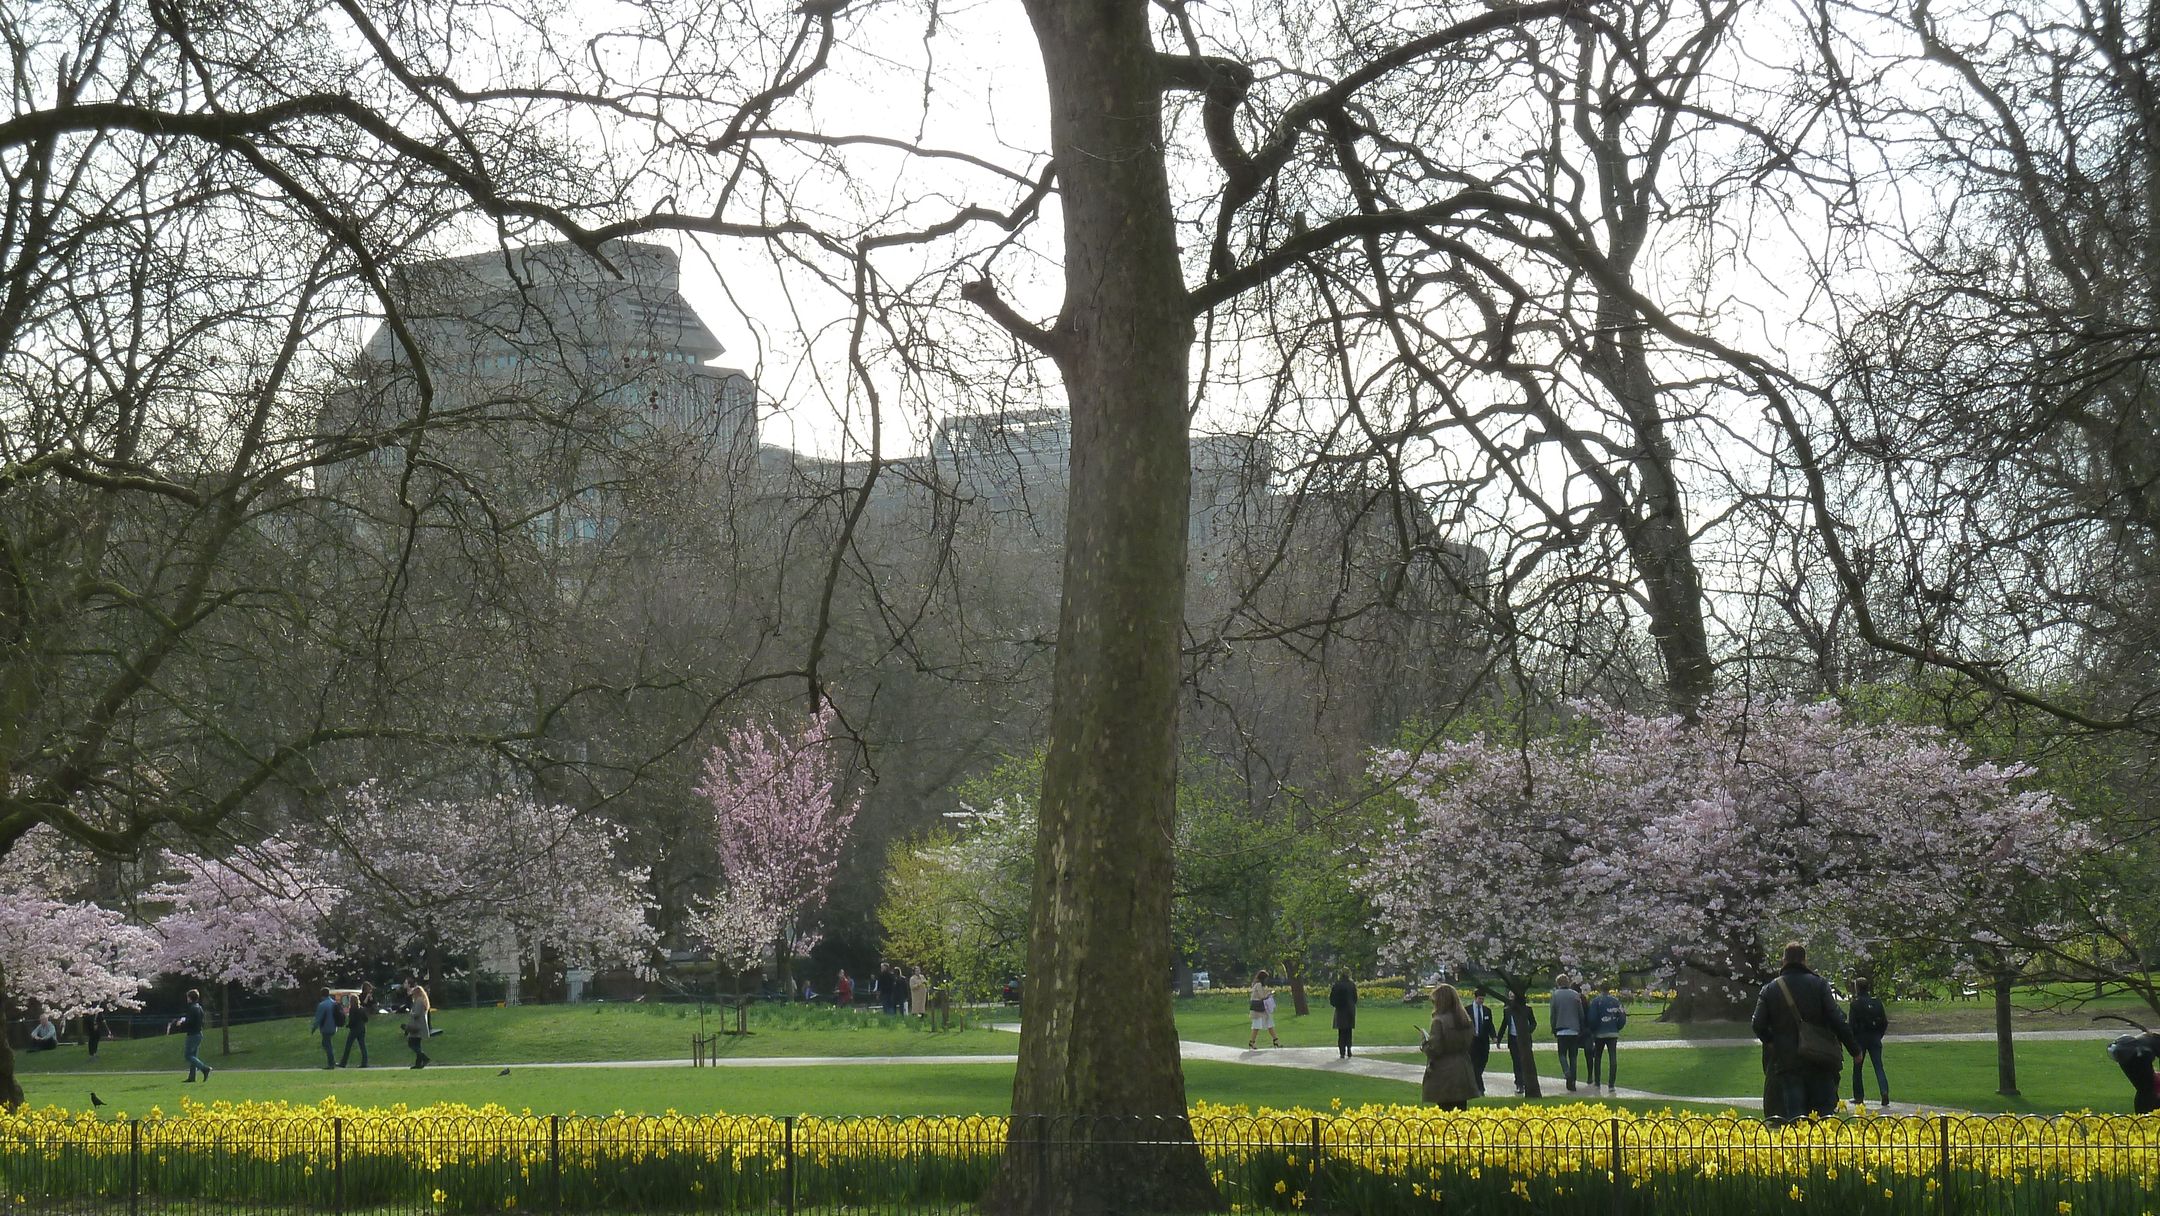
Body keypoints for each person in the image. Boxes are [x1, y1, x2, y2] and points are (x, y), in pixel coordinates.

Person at [1751, 942, 1859, 1120]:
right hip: (1819, 1058)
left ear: (1783, 960)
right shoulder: (1819, 985)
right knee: (1824, 1117)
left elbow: (1757, 1023)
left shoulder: (1770, 989)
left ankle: (1797, 1145)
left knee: (1795, 1117)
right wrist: (1854, 1049)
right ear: (1804, 960)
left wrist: (1772, 1041)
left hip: (1788, 1061)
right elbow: (1836, 1018)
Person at [1419, 984, 1478, 1111]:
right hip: (1463, 1068)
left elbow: (1435, 1049)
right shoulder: (1465, 1020)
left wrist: (1424, 1044)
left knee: (1445, 1112)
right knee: (1461, 1111)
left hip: (1445, 1071)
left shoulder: (1439, 1021)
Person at [1848, 976, 1890, 1106]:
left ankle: (1859, 1096)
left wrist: (1853, 1042)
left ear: (1857, 988)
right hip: (1874, 1038)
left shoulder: (1855, 1004)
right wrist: (1879, 1035)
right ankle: (1884, 1091)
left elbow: (1851, 1025)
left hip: (1860, 1039)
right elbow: (1884, 1021)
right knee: (1878, 1067)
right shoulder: (1877, 1002)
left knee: (1857, 1068)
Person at [1585, 982, 1628, 1095]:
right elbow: (1622, 1017)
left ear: (1600, 989)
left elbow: (1592, 1018)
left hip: (1599, 1033)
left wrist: (1593, 1030)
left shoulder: (1596, 1001)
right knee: (1612, 1058)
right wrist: (1617, 1027)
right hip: (1613, 1033)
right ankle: (1611, 1085)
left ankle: (1598, 1082)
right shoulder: (1616, 1001)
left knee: (1598, 1057)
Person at [1549, 973, 1586, 1092]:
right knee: (1573, 1057)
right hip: (1574, 1030)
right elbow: (1581, 1013)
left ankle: (1567, 1072)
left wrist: (1553, 1027)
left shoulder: (1555, 995)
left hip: (1561, 1029)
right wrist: (1580, 1026)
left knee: (1562, 1055)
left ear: (1558, 983)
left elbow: (1553, 1014)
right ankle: (1573, 1081)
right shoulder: (1575, 995)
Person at [167, 989, 212, 1081]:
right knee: (194, 1056)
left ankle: (204, 1068)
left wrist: (181, 1023)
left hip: (192, 1034)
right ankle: (192, 1077)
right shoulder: (199, 1007)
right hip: (199, 1033)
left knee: (188, 1056)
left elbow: (190, 1022)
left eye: (187, 997)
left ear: (190, 998)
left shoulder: (192, 1008)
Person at [1502, 990, 1537, 1096]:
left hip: (1524, 1039)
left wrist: (1527, 1031)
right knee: (1516, 1062)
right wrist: (1498, 1038)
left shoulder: (1527, 1009)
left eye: (1513, 997)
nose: (1512, 999)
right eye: (1510, 997)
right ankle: (1519, 1083)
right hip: (1513, 1039)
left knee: (1525, 1061)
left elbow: (1533, 1023)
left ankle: (1527, 1082)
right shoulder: (1507, 1011)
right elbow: (1504, 1025)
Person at [1466, 988, 1499, 1096]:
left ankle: (1474, 1083)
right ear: (1475, 998)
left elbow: (1490, 1025)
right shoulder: (1467, 1010)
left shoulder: (1487, 1011)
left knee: (1482, 1063)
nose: (1481, 1001)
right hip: (1472, 1041)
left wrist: (1494, 1036)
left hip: (1484, 1042)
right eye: (1480, 999)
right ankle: (1480, 1089)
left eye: (1483, 999)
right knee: (1475, 1065)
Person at [341, 983, 374, 1068]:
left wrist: (348, 1025)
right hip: (362, 1028)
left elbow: (352, 1020)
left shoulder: (353, 1009)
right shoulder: (361, 1009)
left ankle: (343, 1062)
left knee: (348, 1046)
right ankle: (364, 1062)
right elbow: (366, 1019)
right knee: (362, 1046)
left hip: (355, 1029)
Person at [403, 976, 433, 1069]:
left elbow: (416, 1014)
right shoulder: (422, 1000)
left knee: (412, 1044)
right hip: (419, 1025)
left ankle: (424, 1057)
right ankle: (418, 1063)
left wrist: (411, 1012)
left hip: (417, 1026)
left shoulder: (419, 1001)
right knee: (417, 1044)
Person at [1247, 970, 1281, 1049]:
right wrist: (1269, 994)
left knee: (1269, 1023)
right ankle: (1252, 1042)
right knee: (1256, 1025)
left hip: (1263, 1008)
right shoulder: (1258, 985)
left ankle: (1275, 1040)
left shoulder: (1259, 985)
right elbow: (1262, 996)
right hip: (1258, 1008)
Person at [1327, 972, 1358, 1058]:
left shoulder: (1337, 985)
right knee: (1349, 1031)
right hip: (1350, 1010)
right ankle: (1349, 1049)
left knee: (1341, 1032)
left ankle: (1342, 1052)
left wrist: (1336, 1005)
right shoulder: (1352, 985)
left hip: (1340, 1010)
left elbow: (1332, 998)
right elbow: (1355, 998)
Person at [309, 988, 341, 1069]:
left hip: (326, 1027)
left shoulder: (322, 1005)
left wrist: (314, 1028)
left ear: (321, 995)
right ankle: (332, 1061)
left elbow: (318, 1019)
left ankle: (331, 1063)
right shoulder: (334, 1003)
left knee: (327, 1044)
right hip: (334, 1026)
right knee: (327, 1043)